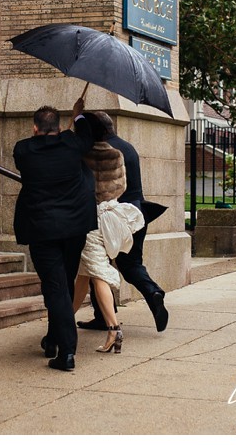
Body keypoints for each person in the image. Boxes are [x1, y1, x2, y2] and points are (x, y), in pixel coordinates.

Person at [13, 98, 95, 372]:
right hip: (74, 228)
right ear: (58, 128)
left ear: (35, 128)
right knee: (63, 284)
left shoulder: (23, 150)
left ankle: (67, 352)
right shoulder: (73, 144)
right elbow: (85, 135)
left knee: (56, 286)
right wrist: (78, 115)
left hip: (42, 228)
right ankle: (53, 339)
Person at [77, 112, 169, 333]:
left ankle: (103, 317)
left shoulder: (98, 152)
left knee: (95, 266)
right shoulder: (127, 147)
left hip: (110, 218)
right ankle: (152, 292)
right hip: (136, 214)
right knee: (132, 265)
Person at [71, 111, 144, 354]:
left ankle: (113, 328)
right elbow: (122, 186)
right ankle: (62, 320)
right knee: (84, 273)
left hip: (88, 220)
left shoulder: (82, 154)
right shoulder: (116, 154)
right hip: (108, 217)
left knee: (98, 273)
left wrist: (74, 117)